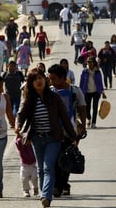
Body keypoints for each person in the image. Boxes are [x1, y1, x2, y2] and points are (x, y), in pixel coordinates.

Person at [15, 68, 77, 208]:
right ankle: (45, 193)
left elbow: (64, 117)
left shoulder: (54, 97)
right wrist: (18, 126)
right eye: (35, 79)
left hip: (53, 138)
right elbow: (21, 114)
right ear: (31, 83)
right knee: (41, 169)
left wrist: (73, 135)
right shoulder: (29, 99)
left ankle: (46, 197)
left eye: (41, 78)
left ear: (45, 80)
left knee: (48, 167)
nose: (39, 80)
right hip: (37, 138)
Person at [48, 64, 87, 197]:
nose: (51, 82)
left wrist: (83, 126)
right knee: (54, 160)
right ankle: (59, 185)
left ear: (63, 78)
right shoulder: (49, 92)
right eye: (50, 79)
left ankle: (61, 185)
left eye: (54, 79)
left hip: (70, 132)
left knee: (66, 159)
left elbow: (82, 108)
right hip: (53, 132)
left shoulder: (75, 91)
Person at [79, 56, 107, 129]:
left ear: (94, 63)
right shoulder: (85, 71)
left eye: (91, 62)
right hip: (87, 92)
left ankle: (94, 123)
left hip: (96, 92)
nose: (89, 63)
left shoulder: (97, 71)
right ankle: (89, 118)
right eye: (88, 62)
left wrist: (102, 92)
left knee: (95, 107)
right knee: (87, 108)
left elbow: (100, 82)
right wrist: (80, 92)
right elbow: (81, 83)